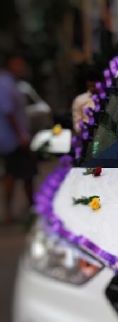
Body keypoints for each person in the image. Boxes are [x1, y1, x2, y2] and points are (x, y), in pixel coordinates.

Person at [0, 53, 36, 224]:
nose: (21, 68)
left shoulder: (12, 83)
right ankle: (29, 208)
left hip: (13, 138)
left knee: (16, 174)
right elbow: (8, 113)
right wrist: (21, 135)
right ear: (10, 65)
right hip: (12, 139)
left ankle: (31, 207)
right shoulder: (5, 84)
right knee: (20, 174)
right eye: (17, 65)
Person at [72, 68, 98, 132]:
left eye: (95, 81)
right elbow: (77, 124)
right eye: (91, 81)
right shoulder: (79, 100)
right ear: (87, 83)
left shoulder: (107, 96)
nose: (93, 84)